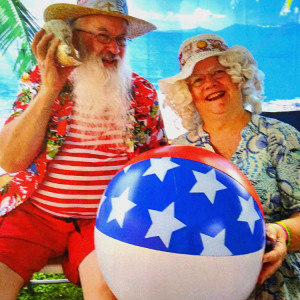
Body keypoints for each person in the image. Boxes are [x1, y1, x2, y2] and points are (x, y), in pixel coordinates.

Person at [0, 0, 167, 299]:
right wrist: (51, 88)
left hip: (105, 219)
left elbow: (155, 165)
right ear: (72, 35)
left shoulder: (142, 92)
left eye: (120, 39)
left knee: (109, 292)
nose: (114, 49)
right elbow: (11, 160)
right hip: (35, 214)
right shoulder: (40, 80)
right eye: (103, 35)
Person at [159, 33, 300, 299]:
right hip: (201, 285)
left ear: (238, 76)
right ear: (188, 93)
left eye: (218, 72)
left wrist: (280, 233)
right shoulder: (178, 151)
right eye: (197, 80)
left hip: (276, 283)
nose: (209, 84)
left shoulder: (280, 136)